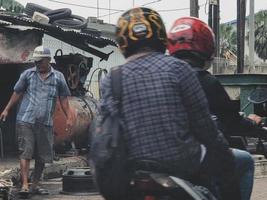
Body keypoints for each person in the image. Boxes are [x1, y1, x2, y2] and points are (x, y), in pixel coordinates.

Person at [99, 7, 240, 200]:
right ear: (160, 37)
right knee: (228, 162)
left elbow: (104, 130)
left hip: (131, 171)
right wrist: (222, 151)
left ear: (123, 42)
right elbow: (204, 128)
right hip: (181, 165)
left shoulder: (111, 79)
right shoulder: (179, 69)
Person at [167, 16, 267, 200]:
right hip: (192, 156)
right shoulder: (205, 80)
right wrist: (255, 127)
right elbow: (232, 123)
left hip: (156, 158)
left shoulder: (161, 76)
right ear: (206, 45)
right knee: (244, 161)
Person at [0, 46, 72, 196]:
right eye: (36, 61)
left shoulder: (58, 77)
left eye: (40, 61)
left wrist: (69, 117)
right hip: (26, 120)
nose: (37, 64)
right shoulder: (27, 74)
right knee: (25, 153)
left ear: (48, 60)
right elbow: (17, 93)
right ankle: (25, 185)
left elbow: (64, 99)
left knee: (42, 156)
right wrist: (6, 109)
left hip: (45, 123)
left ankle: (35, 185)